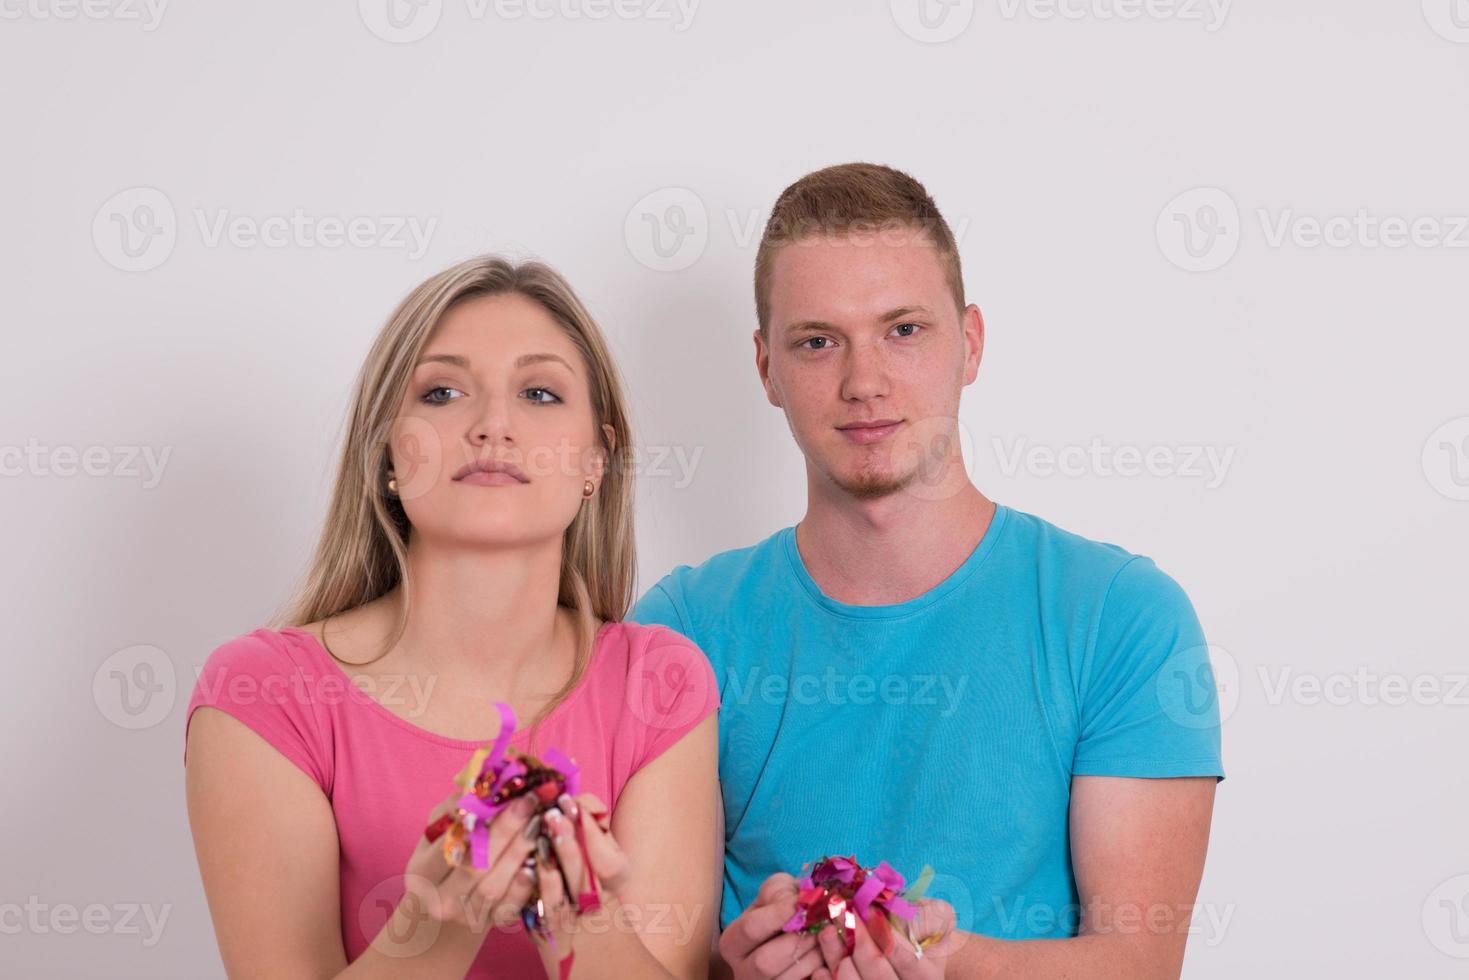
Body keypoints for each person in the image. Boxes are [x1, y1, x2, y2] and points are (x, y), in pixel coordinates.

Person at [630, 163, 1225, 980]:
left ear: (970, 343)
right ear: (766, 368)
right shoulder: (680, 630)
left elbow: (1140, 964)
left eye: (902, 330)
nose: (863, 383)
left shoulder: (1121, 618)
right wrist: (733, 970)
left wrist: (951, 960)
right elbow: (646, 957)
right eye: (816, 341)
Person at [184, 255, 721, 979]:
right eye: (441, 392)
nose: (492, 424)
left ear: (597, 459)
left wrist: (577, 920)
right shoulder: (262, 693)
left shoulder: (661, 681)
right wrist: (431, 927)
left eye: (538, 392)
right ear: (388, 455)